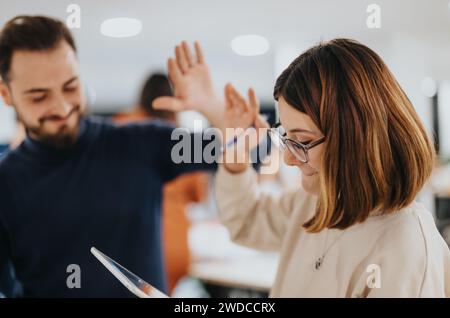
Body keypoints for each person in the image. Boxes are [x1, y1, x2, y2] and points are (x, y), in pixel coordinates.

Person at [154, 39, 450, 297]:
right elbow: (247, 220)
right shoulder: (319, 200)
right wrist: (231, 141)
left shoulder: (406, 246)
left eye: (303, 141)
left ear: (354, 137)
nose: (288, 159)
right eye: (287, 138)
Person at [0, 16, 220, 297]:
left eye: (70, 87)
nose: (62, 107)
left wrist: (213, 109)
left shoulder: (140, 143)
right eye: (39, 96)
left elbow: (252, 150)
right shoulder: (5, 184)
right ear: (6, 94)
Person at [113, 73, 210, 294]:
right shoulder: (181, 137)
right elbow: (198, 194)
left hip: (133, 242)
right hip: (175, 246)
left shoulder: (122, 126)